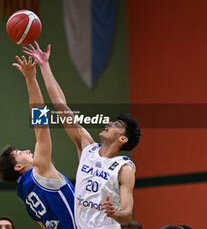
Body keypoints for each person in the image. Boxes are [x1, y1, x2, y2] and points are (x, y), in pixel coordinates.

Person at [23, 42, 142, 229]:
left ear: (123, 139)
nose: (108, 123)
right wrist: (45, 66)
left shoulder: (123, 169)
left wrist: (115, 213)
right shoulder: (87, 146)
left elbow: (127, 216)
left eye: (116, 124)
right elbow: (60, 104)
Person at [0, 55, 76, 229]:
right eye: (19, 153)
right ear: (18, 167)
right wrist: (31, 79)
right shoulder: (40, 171)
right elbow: (40, 124)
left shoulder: (25, 196)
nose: (25, 151)